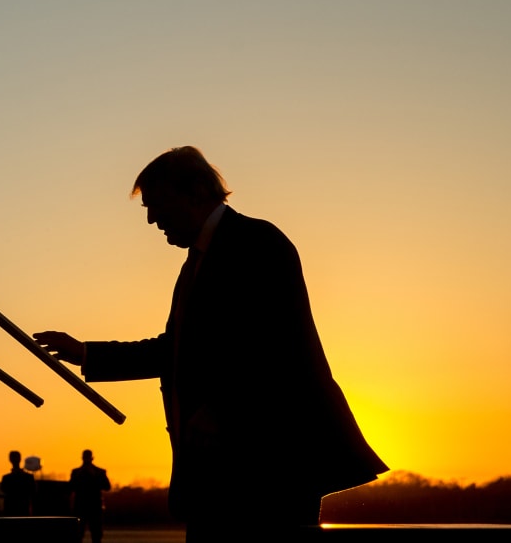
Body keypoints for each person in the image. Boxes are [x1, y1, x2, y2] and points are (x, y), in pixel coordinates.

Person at [34, 146, 387, 541]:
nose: (152, 220)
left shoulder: (258, 242)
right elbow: (177, 350)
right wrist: (87, 353)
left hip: (268, 466)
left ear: (196, 191)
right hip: (222, 470)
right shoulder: (197, 263)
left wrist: (223, 408)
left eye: (157, 204)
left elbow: (275, 346)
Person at [69, 450, 110, 543]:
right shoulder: (76, 473)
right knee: (78, 534)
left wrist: (94, 476)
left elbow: (107, 486)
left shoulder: (99, 472)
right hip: (81, 507)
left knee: (96, 535)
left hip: (94, 507)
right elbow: (70, 487)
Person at [0, 450, 36, 516]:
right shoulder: (28, 477)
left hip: (10, 509)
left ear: (10, 460)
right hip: (24, 509)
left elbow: (3, 490)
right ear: (20, 459)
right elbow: (33, 491)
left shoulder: (6, 478)